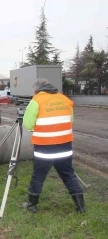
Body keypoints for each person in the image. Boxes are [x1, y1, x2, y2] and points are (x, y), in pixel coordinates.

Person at [22, 78, 86, 213]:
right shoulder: (65, 99)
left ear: (36, 90)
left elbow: (27, 125)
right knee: (69, 174)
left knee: (38, 175)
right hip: (64, 146)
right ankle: (81, 207)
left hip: (44, 147)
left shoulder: (36, 101)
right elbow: (70, 121)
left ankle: (32, 205)